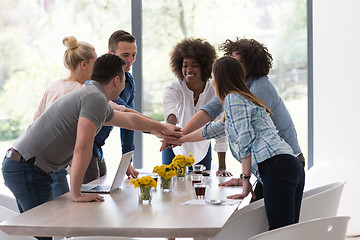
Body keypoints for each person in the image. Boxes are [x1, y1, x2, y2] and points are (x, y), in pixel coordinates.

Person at [2, 53, 181, 239]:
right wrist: (77, 194)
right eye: (124, 79)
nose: (125, 85)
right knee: (45, 233)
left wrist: (161, 128)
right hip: (26, 168)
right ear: (117, 80)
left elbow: (129, 120)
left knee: (44, 232)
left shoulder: (94, 97)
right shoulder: (94, 99)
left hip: (25, 165)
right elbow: (82, 148)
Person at [168, 38, 304, 200]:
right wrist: (179, 136)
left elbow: (244, 134)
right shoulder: (237, 91)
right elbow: (212, 115)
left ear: (252, 64)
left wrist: (244, 180)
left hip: (281, 161)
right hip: (273, 163)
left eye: (239, 62)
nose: (234, 66)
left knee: (276, 223)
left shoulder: (258, 89)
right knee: (266, 220)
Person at [180, 56, 305, 230]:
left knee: (280, 232)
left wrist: (245, 180)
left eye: (213, 76)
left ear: (221, 78)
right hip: (291, 165)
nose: (212, 81)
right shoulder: (244, 99)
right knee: (287, 232)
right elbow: (213, 129)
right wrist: (180, 139)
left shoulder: (233, 99)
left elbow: (245, 140)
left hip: (277, 167)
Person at [33, 36, 97, 200]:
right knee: (63, 213)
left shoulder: (54, 86)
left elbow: (35, 121)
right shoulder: (80, 91)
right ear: (84, 64)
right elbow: (115, 109)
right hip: (54, 164)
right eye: (94, 64)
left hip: (37, 160)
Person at [161, 38, 230, 175]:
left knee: (201, 190)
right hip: (173, 146)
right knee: (170, 190)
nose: (188, 69)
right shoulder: (173, 88)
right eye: (185, 65)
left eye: (194, 65)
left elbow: (221, 128)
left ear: (204, 67)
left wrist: (222, 167)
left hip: (202, 149)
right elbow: (171, 114)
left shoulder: (214, 90)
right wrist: (170, 133)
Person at [86, 30, 139, 184]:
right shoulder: (96, 82)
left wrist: (128, 159)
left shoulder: (129, 81)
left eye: (134, 54)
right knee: (89, 199)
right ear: (111, 53)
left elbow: (128, 125)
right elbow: (123, 111)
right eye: (125, 55)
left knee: (104, 193)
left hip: (97, 148)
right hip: (84, 147)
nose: (130, 60)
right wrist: (159, 129)